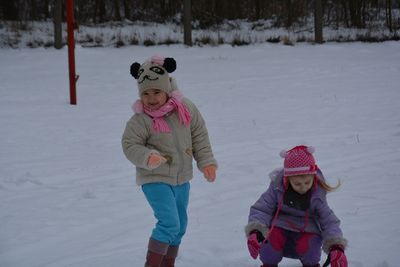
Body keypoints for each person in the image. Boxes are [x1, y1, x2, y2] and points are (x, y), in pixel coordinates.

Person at [122, 55, 218, 267]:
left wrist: (206, 162)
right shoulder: (141, 120)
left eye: (156, 92)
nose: (152, 98)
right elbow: (130, 145)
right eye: (145, 93)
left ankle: (168, 263)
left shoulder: (185, 108)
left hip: (181, 178)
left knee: (180, 225)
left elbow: (199, 136)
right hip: (154, 177)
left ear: (167, 88)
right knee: (169, 223)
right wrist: (148, 157)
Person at [245, 145, 348, 267]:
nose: (303, 187)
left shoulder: (317, 195)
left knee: (310, 250)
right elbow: (262, 209)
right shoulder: (277, 188)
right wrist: (256, 231)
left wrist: (336, 246)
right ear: (287, 180)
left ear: (313, 177)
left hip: (307, 230)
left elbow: (328, 221)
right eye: (297, 184)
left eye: (307, 182)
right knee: (269, 246)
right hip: (279, 226)